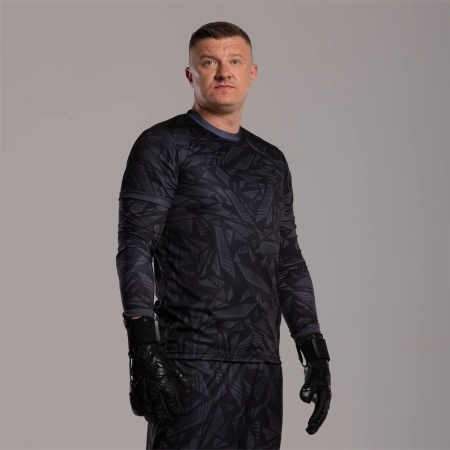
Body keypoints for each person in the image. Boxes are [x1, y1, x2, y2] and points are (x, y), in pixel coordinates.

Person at [116, 21, 332, 450]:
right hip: (191, 363)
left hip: (262, 368)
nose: (223, 72)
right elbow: (136, 243)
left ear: (252, 73)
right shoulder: (163, 144)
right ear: (190, 74)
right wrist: (143, 347)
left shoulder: (270, 161)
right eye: (208, 62)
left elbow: (287, 260)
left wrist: (313, 348)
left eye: (234, 61)